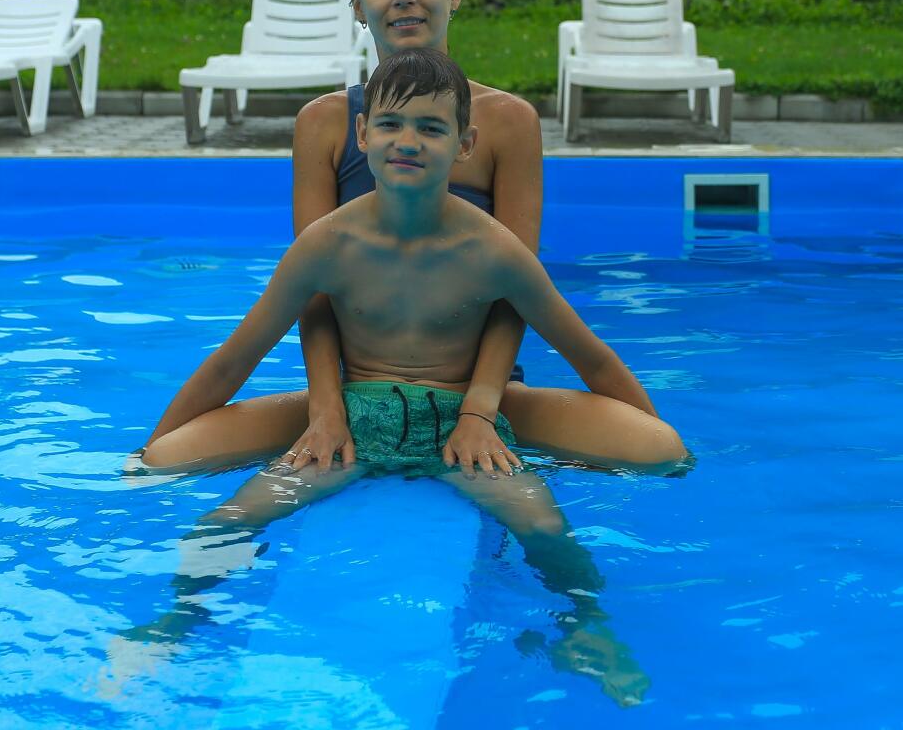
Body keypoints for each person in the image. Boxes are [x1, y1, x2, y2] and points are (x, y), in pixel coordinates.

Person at [113, 50, 667, 704]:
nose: (408, 141)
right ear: (362, 134)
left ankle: (585, 628)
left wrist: (650, 424)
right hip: (351, 427)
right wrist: (148, 449)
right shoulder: (328, 243)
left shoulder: (492, 249)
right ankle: (176, 623)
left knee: (549, 526)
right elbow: (236, 358)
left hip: (461, 431)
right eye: (391, 124)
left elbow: (590, 356)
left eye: (431, 128)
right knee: (225, 518)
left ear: (465, 145)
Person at [140, 0, 686, 474]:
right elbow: (313, 295)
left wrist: (479, 410)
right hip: (357, 394)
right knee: (168, 457)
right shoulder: (324, 123)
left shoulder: (508, 121)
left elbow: (517, 291)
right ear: (357, 5)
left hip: (486, 394)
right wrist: (326, 411)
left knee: (654, 447)